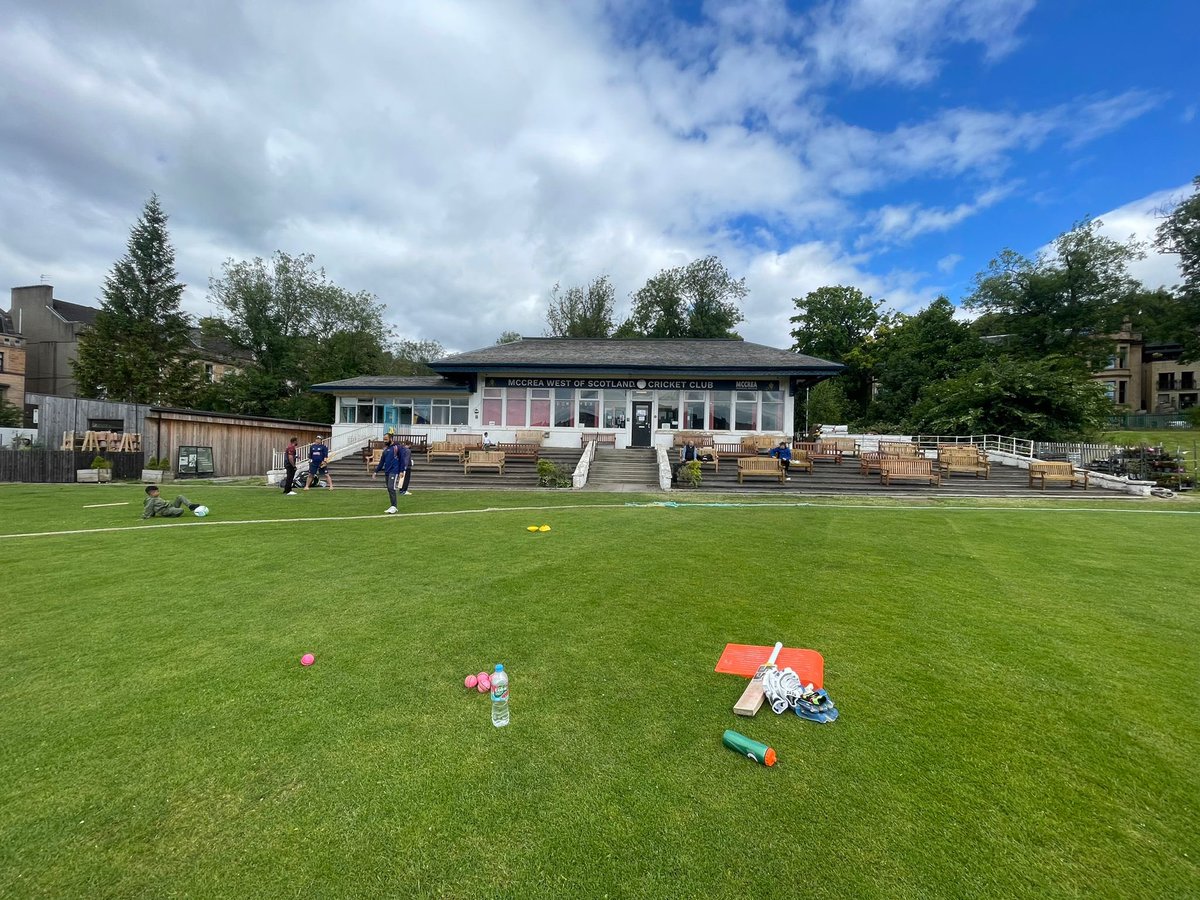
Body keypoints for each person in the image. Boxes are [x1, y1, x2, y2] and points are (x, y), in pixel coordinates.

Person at [373, 434, 404, 513]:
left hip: (394, 471)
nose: (385, 441)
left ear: (391, 439)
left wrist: (401, 471)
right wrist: (376, 471)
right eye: (384, 439)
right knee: (389, 489)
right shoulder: (385, 449)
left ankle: (394, 507)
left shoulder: (397, 447)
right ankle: (393, 506)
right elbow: (382, 462)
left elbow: (402, 459)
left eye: (386, 439)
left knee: (391, 487)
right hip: (387, 471)